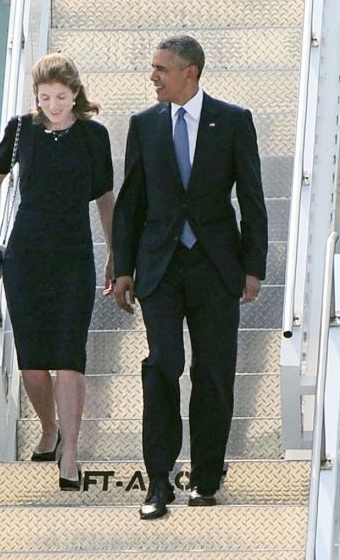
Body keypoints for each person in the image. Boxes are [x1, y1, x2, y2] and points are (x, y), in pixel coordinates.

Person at [112, 35, 268, 519]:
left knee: (214, 372)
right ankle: (158, 482)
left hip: (215, 266)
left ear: (190, 72)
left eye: (161, 68)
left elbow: (253, 198)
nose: (153, 76)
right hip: (159, 265)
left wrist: (253, 267)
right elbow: (131, 201)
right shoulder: (144, 124)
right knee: (163, 365)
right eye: (153, 68)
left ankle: (205, 477)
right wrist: (122, 269)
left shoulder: (234, 121)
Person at [0, 52, 115, 492]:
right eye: (45, 98)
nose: (53, 105)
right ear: (36, 98)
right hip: (27, 255)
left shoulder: (94, 137)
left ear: (75, 94)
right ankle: (48, 428)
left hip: (74, 256)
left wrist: (117, 252)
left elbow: (104, 198)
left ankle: (71, 454)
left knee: (69, 356)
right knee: (33, 363)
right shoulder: (21, 130)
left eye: (61, 96)